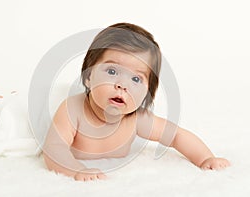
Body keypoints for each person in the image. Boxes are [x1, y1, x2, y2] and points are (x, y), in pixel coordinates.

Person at [42, 22, 230, 181]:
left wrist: (205, 159)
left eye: (136, 79)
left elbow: (176, 136)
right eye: (112, 71)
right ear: (89, 76)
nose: (122, 85)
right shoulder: (73, 110)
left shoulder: (138, 119)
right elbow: (54, 148)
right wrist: (76, 170)